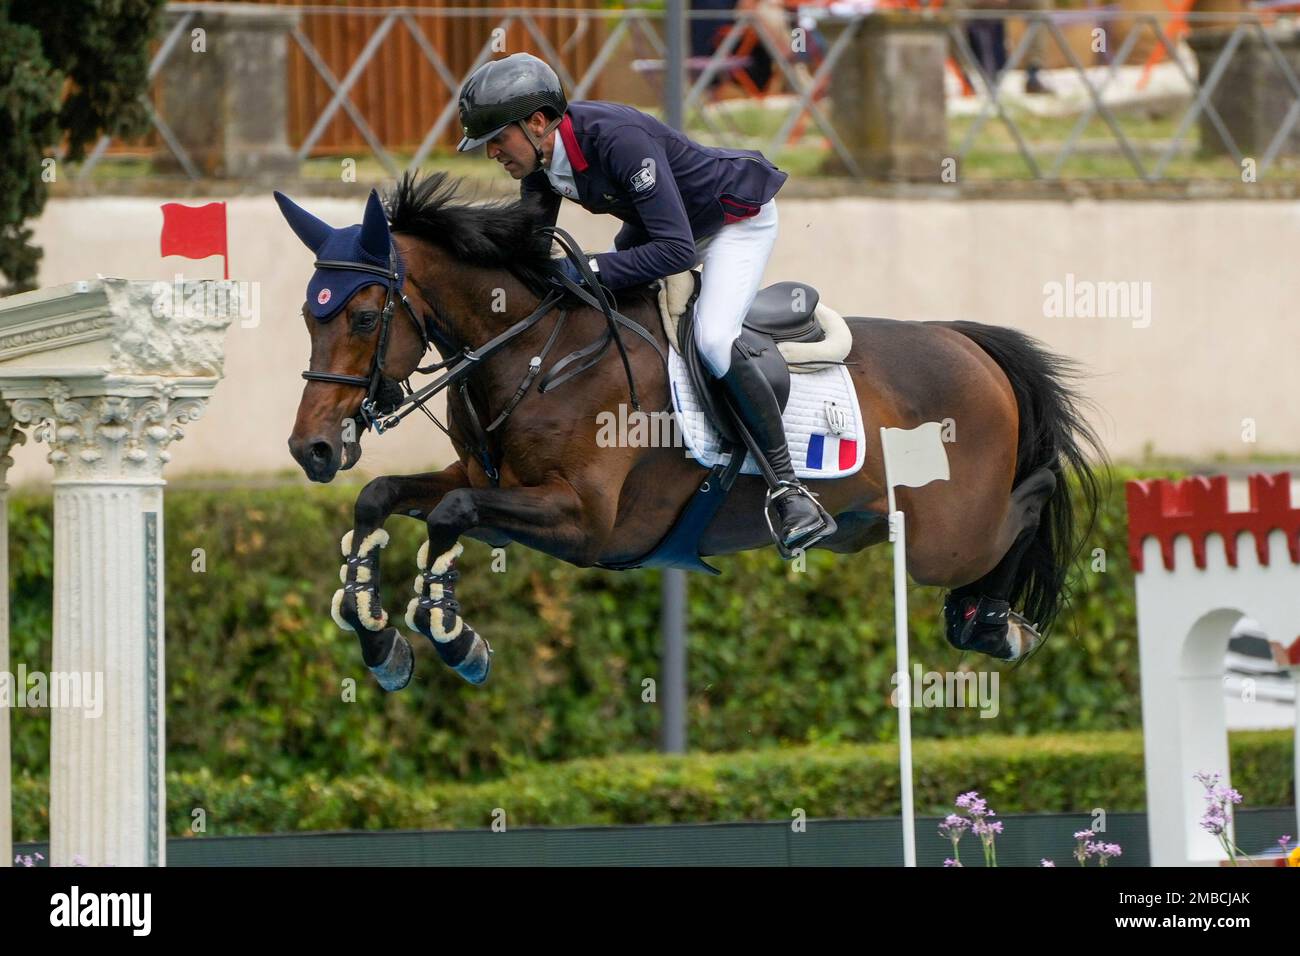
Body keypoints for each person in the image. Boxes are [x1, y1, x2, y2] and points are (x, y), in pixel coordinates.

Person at [455, 52, 833, 554]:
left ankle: (789, 490)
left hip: (732, 222)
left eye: (496, 140)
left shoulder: (615, 139)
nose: (492, 154)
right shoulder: (543, 160)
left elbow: (675, 250)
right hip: (671, 224)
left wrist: (585, 269)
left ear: (538, 123)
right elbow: (529, 246)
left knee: (715, 340)